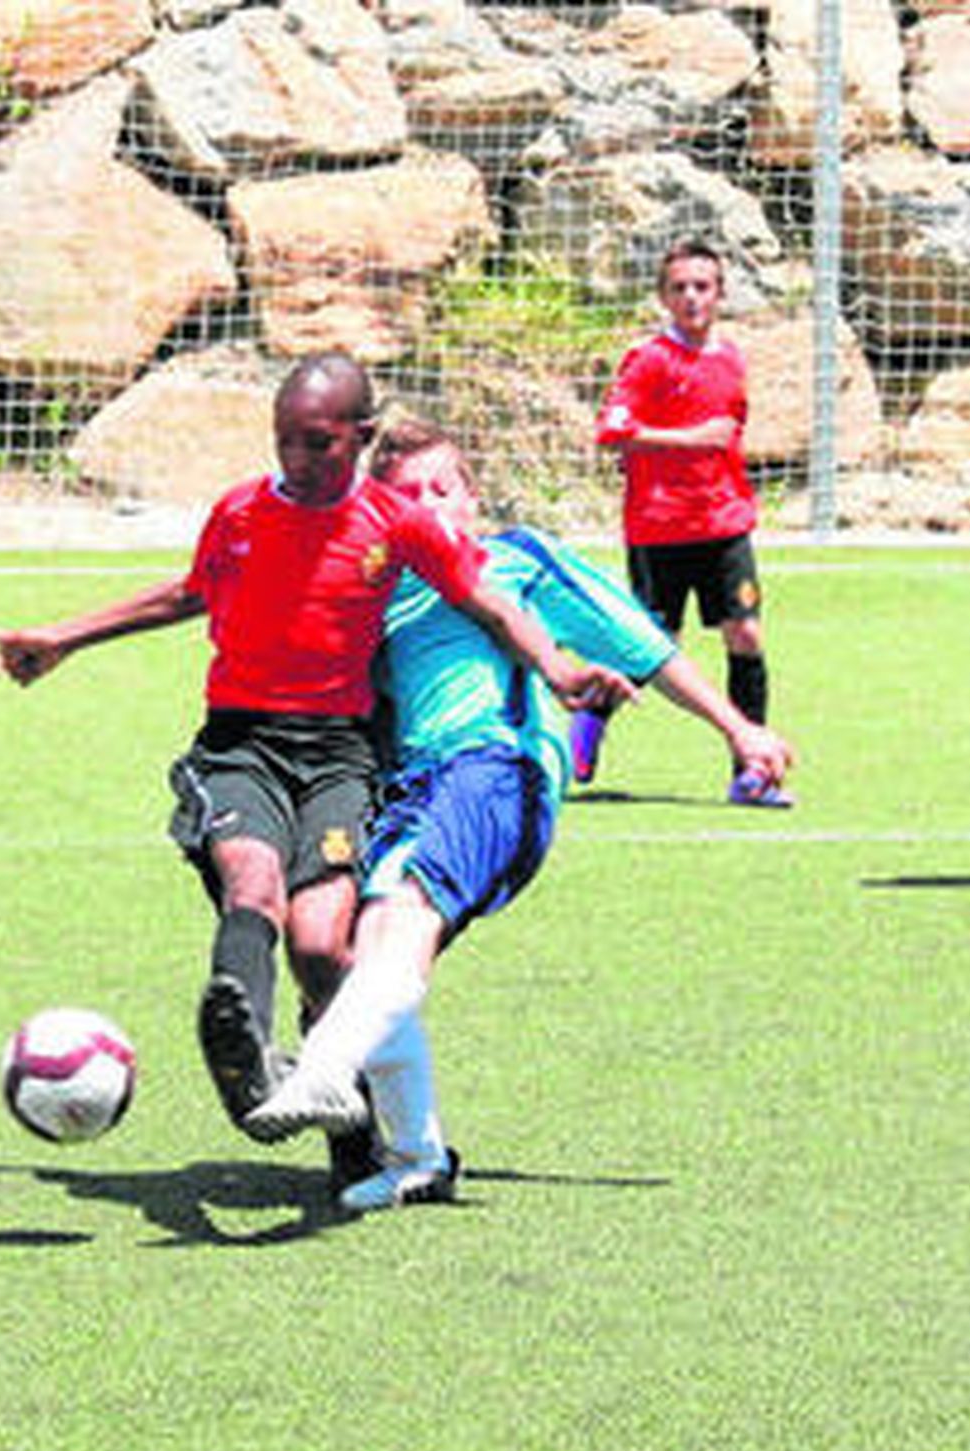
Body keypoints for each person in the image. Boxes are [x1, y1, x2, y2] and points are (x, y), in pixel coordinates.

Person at [0, 354, 634, 1188]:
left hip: (339, 756)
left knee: (325, 944)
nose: (297, 459)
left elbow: (494, 603)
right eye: (285, 440)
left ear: (360, 439)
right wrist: (66, 636)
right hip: (243, 746)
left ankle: (359, 1135)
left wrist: (556, 670)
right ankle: (250, 1057)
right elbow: (190, 595)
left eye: (319, 443)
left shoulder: (396, 523)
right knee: (253, 886)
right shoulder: (242, 512)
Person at [242, 419, 795, 1212]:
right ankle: (416, 1158)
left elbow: (644, 645)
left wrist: (740, 730)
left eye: (444, 489)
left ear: (472, 497)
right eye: (406, 496)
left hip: (493, 768)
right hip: (408, 791)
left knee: (399, 923)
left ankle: (324, 1070)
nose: (428, 507)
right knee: (368, 950)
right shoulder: (371, 585)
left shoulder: (513, 561)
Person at [582, 236, 792, 808]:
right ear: (663, 297)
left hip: (724, 523)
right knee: (649, 647)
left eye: (702, 286)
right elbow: (613, 431)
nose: (692, 297)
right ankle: (590, 722)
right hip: (659, 528)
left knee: (746, 634)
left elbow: (729, 438)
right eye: (680, 288)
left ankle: (752, 770)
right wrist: (688, 440)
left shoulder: (730, 358)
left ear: (720, 294)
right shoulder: (649, 359)